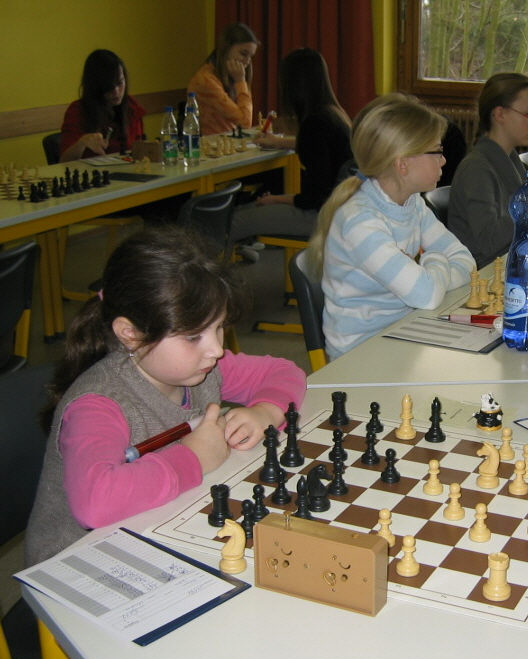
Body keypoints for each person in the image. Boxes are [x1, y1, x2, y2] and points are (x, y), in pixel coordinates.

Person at [25, 227, 305, 566]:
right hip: (77, 567)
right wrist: (194, 457)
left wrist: (265, 411)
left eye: (218, 327)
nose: (216, 349)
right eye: (193, 337)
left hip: (157, 527)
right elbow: (94, 504)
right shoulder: (97, 404)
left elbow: (284, 372)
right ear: (130, 334)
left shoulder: (201, 368)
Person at [311, 95, 475, 359]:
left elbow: (465, 261)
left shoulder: (413, 204)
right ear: (403, 163)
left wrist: (431, 275)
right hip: (359, 355)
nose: (443, 160)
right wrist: (435, 259)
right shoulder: (360, 221)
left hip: (404, 331)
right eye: (436, 151)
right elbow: (426, 295)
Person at [229, 48, 352, 257]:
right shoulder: (334, 114)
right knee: (243, 211)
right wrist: (280, 142)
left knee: (234, 220)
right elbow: (318, 148)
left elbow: (312, 198)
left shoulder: (314, 124)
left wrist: (276, 199)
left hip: (322, 216)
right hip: (340, 209)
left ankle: (207, 273)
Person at [449, 73, 528, 268]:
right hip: (483, 273)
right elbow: (489, 241)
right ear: (500, 114)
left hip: (508, 260)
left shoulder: (512, 160)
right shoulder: (476, 169)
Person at [59, 50, 145, 163]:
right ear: (95, 87)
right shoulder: (77, 111)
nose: (116, 92)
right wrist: (82, 143)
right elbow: (64, 161)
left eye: (120, 83)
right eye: (109, 87)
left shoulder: (132, 107)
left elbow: (140, 149)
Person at [187, 22, 259, 135]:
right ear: (226, 49)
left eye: (250, 56)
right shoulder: (206, 80)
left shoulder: (228, 76)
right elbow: (245, 122)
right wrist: (241, 81)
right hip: (210, 142)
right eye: (243, 54)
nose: (247, 62)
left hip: (229, 138)